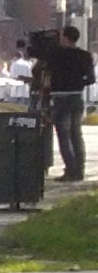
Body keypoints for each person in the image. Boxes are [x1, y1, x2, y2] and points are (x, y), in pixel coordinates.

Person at [45, 24, 94, 180]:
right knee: (76, 134)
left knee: (64, 135)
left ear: (65, 37)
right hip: (77, 96)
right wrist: (78, 83)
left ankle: (70, 170)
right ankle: (79, 169)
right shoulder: (85, 55)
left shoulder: (56, 55)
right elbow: (91, 79)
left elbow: (47, 70)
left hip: (61, 97)